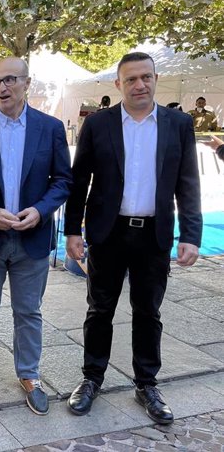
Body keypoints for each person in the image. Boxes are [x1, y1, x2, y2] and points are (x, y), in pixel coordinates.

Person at [65, 52, 202, 424]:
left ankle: (147, 384)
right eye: (131, 79)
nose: (140, 85)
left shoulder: (178, 123)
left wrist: (191, 234)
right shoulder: (98, 124)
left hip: (154, 235)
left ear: (156, 79)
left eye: (146, 77)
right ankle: (91, 379)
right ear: (118, 84)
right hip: (108, 234)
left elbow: (188, 182)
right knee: (99, 310)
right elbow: (80, 182)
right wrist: (72, 231)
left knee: (148, 312)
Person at [0, 57, 72, 415]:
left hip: (31, 237)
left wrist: (40, 210)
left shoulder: (50, 128)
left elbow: (63, 180)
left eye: (9, 80)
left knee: (28, 311)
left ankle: (29, 374)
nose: (2, 88)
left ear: (27, 83)